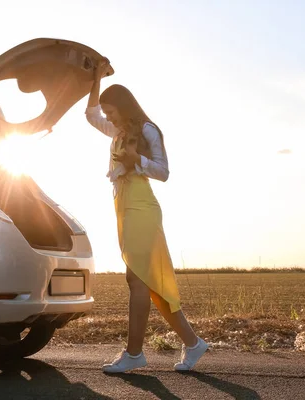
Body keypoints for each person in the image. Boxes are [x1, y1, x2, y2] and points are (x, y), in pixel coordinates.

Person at [85, 59, 209, 373]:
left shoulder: (148, 130)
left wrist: (135, 158)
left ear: (124, 108)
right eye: (108, 114)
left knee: (137, 279)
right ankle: (193, 343)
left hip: (142, 206)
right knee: (148, 282)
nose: (108, 118)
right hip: (125, 207)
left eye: (112, 112)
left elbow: (164, 172)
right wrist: (96, 78)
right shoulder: (117, 131)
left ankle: (134, 354)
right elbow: (90, 114)